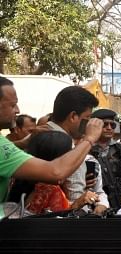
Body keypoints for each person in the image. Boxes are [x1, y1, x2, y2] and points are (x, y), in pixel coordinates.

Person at [0, 76, 103, 204]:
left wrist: (21, 143)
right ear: (73, 116)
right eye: (12, 105)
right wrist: (90, 139)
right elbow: (56, 172)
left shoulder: (30, 139)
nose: (18, 110)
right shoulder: (69, 147)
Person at [47, 86, 109, 215]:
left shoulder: (40, 133)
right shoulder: (65, 145)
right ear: (73, 116)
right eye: (87, 118)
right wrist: (90, 139)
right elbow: (75, 194)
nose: (88, 124)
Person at [23, 131, 100, 214]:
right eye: (70, 153)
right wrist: (77, 204)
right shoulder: (50, 189)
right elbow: (59, 221)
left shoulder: (30, 181)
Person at [89, 109, 121, 209]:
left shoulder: (120, 148)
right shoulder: (86, 148)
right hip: (95, 203)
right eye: (105, 124)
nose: (109, 128)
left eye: (112, 125)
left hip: (119, 201)